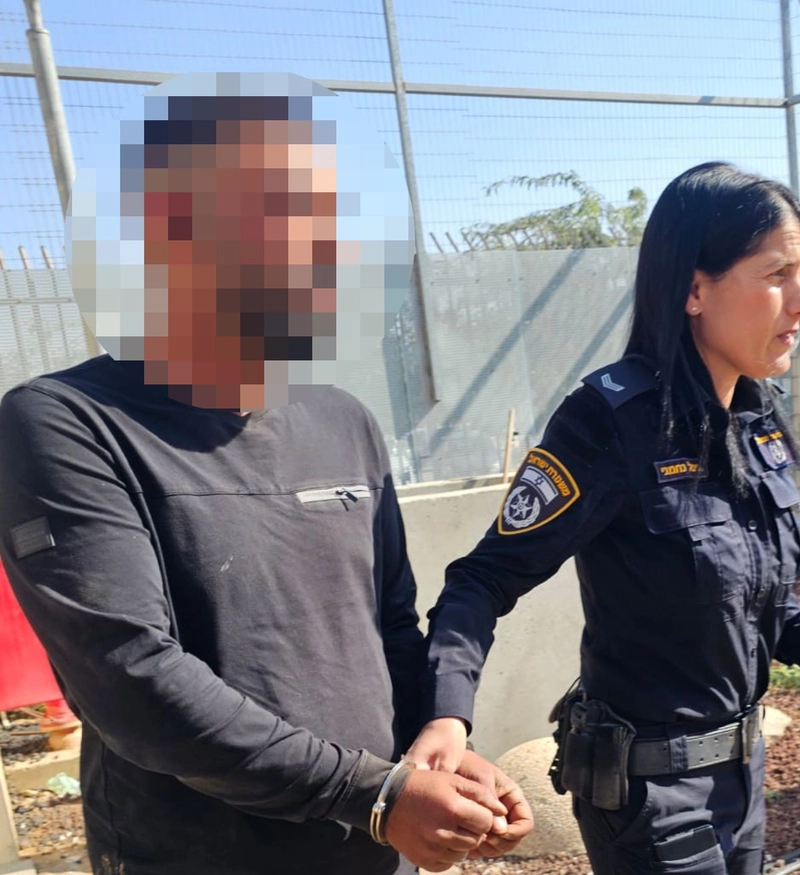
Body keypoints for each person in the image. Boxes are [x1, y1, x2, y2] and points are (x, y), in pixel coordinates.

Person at [0, 74, 532, 875]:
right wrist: (373, 794)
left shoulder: (343, 420)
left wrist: (437, 745)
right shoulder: (66, 422)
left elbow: (389, 626)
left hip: (368, 849)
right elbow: (129, 675)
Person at [406, 161, 800, 875]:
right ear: (694, 289)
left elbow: (774, 607)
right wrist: (447, 714)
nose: (798, 300)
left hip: (742, 780)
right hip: (653, 799)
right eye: (779, 274)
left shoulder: (759, 423)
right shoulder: (609, 423)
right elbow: (481, 579)